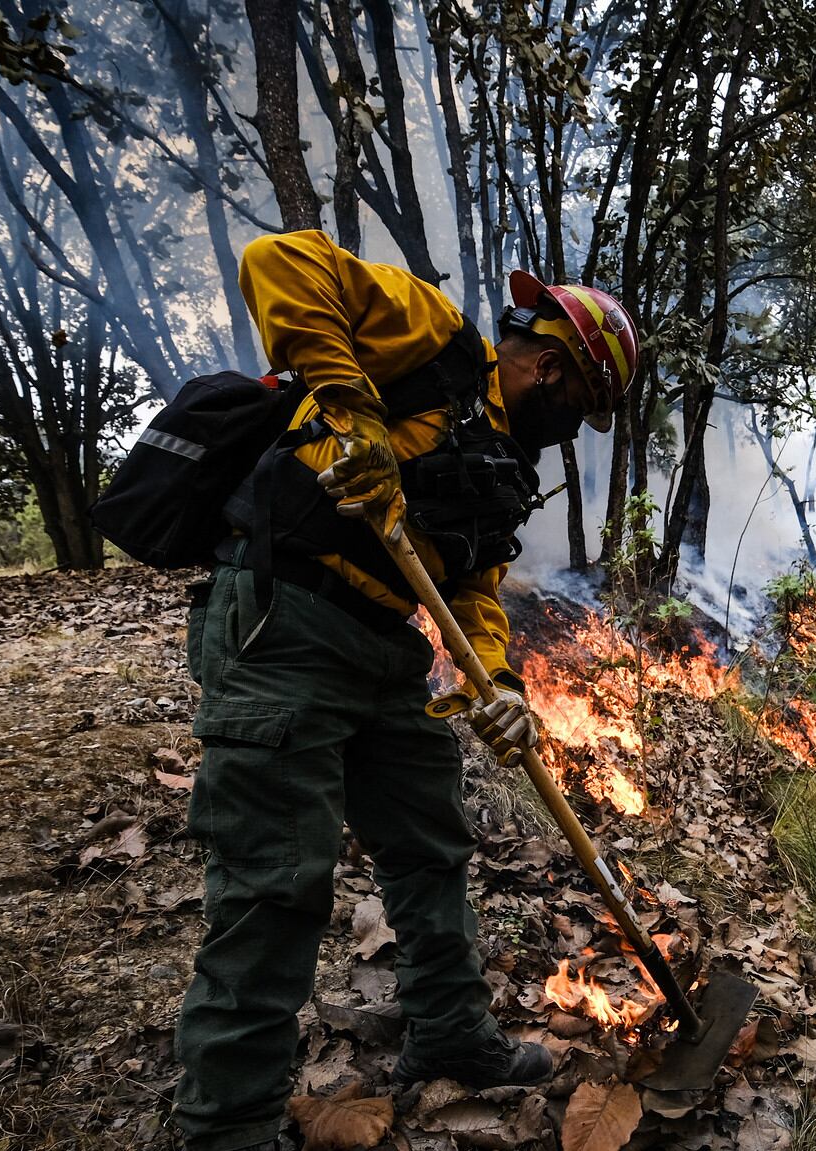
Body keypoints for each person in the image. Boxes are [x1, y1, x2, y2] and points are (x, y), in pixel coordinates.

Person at [174, 230, 638, 1151]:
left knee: (431, 844)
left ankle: (451, 1032)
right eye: (582, 403)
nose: (574, 426)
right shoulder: (429, 338)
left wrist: (499, 682)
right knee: (277, 881)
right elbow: (278, 260)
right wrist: (351, 416)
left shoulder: (507, 465)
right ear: (550, 365)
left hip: (385, 650)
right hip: (285, 622)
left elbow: (473, 592)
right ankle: (227, 1125)